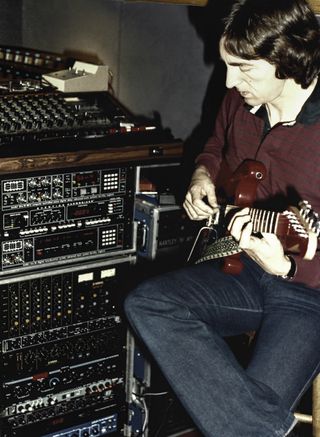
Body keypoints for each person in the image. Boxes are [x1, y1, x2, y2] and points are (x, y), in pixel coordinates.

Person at [124, 0, 320, 435]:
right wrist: (200, 175)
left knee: (238, 419)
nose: (231, 81)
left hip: (309, 293)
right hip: (242, 265)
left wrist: (289, 265)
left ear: (287, 60)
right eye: (228, 65)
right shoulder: (239, 101)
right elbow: (215, 146)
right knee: (147, 303)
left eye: (244, 69)